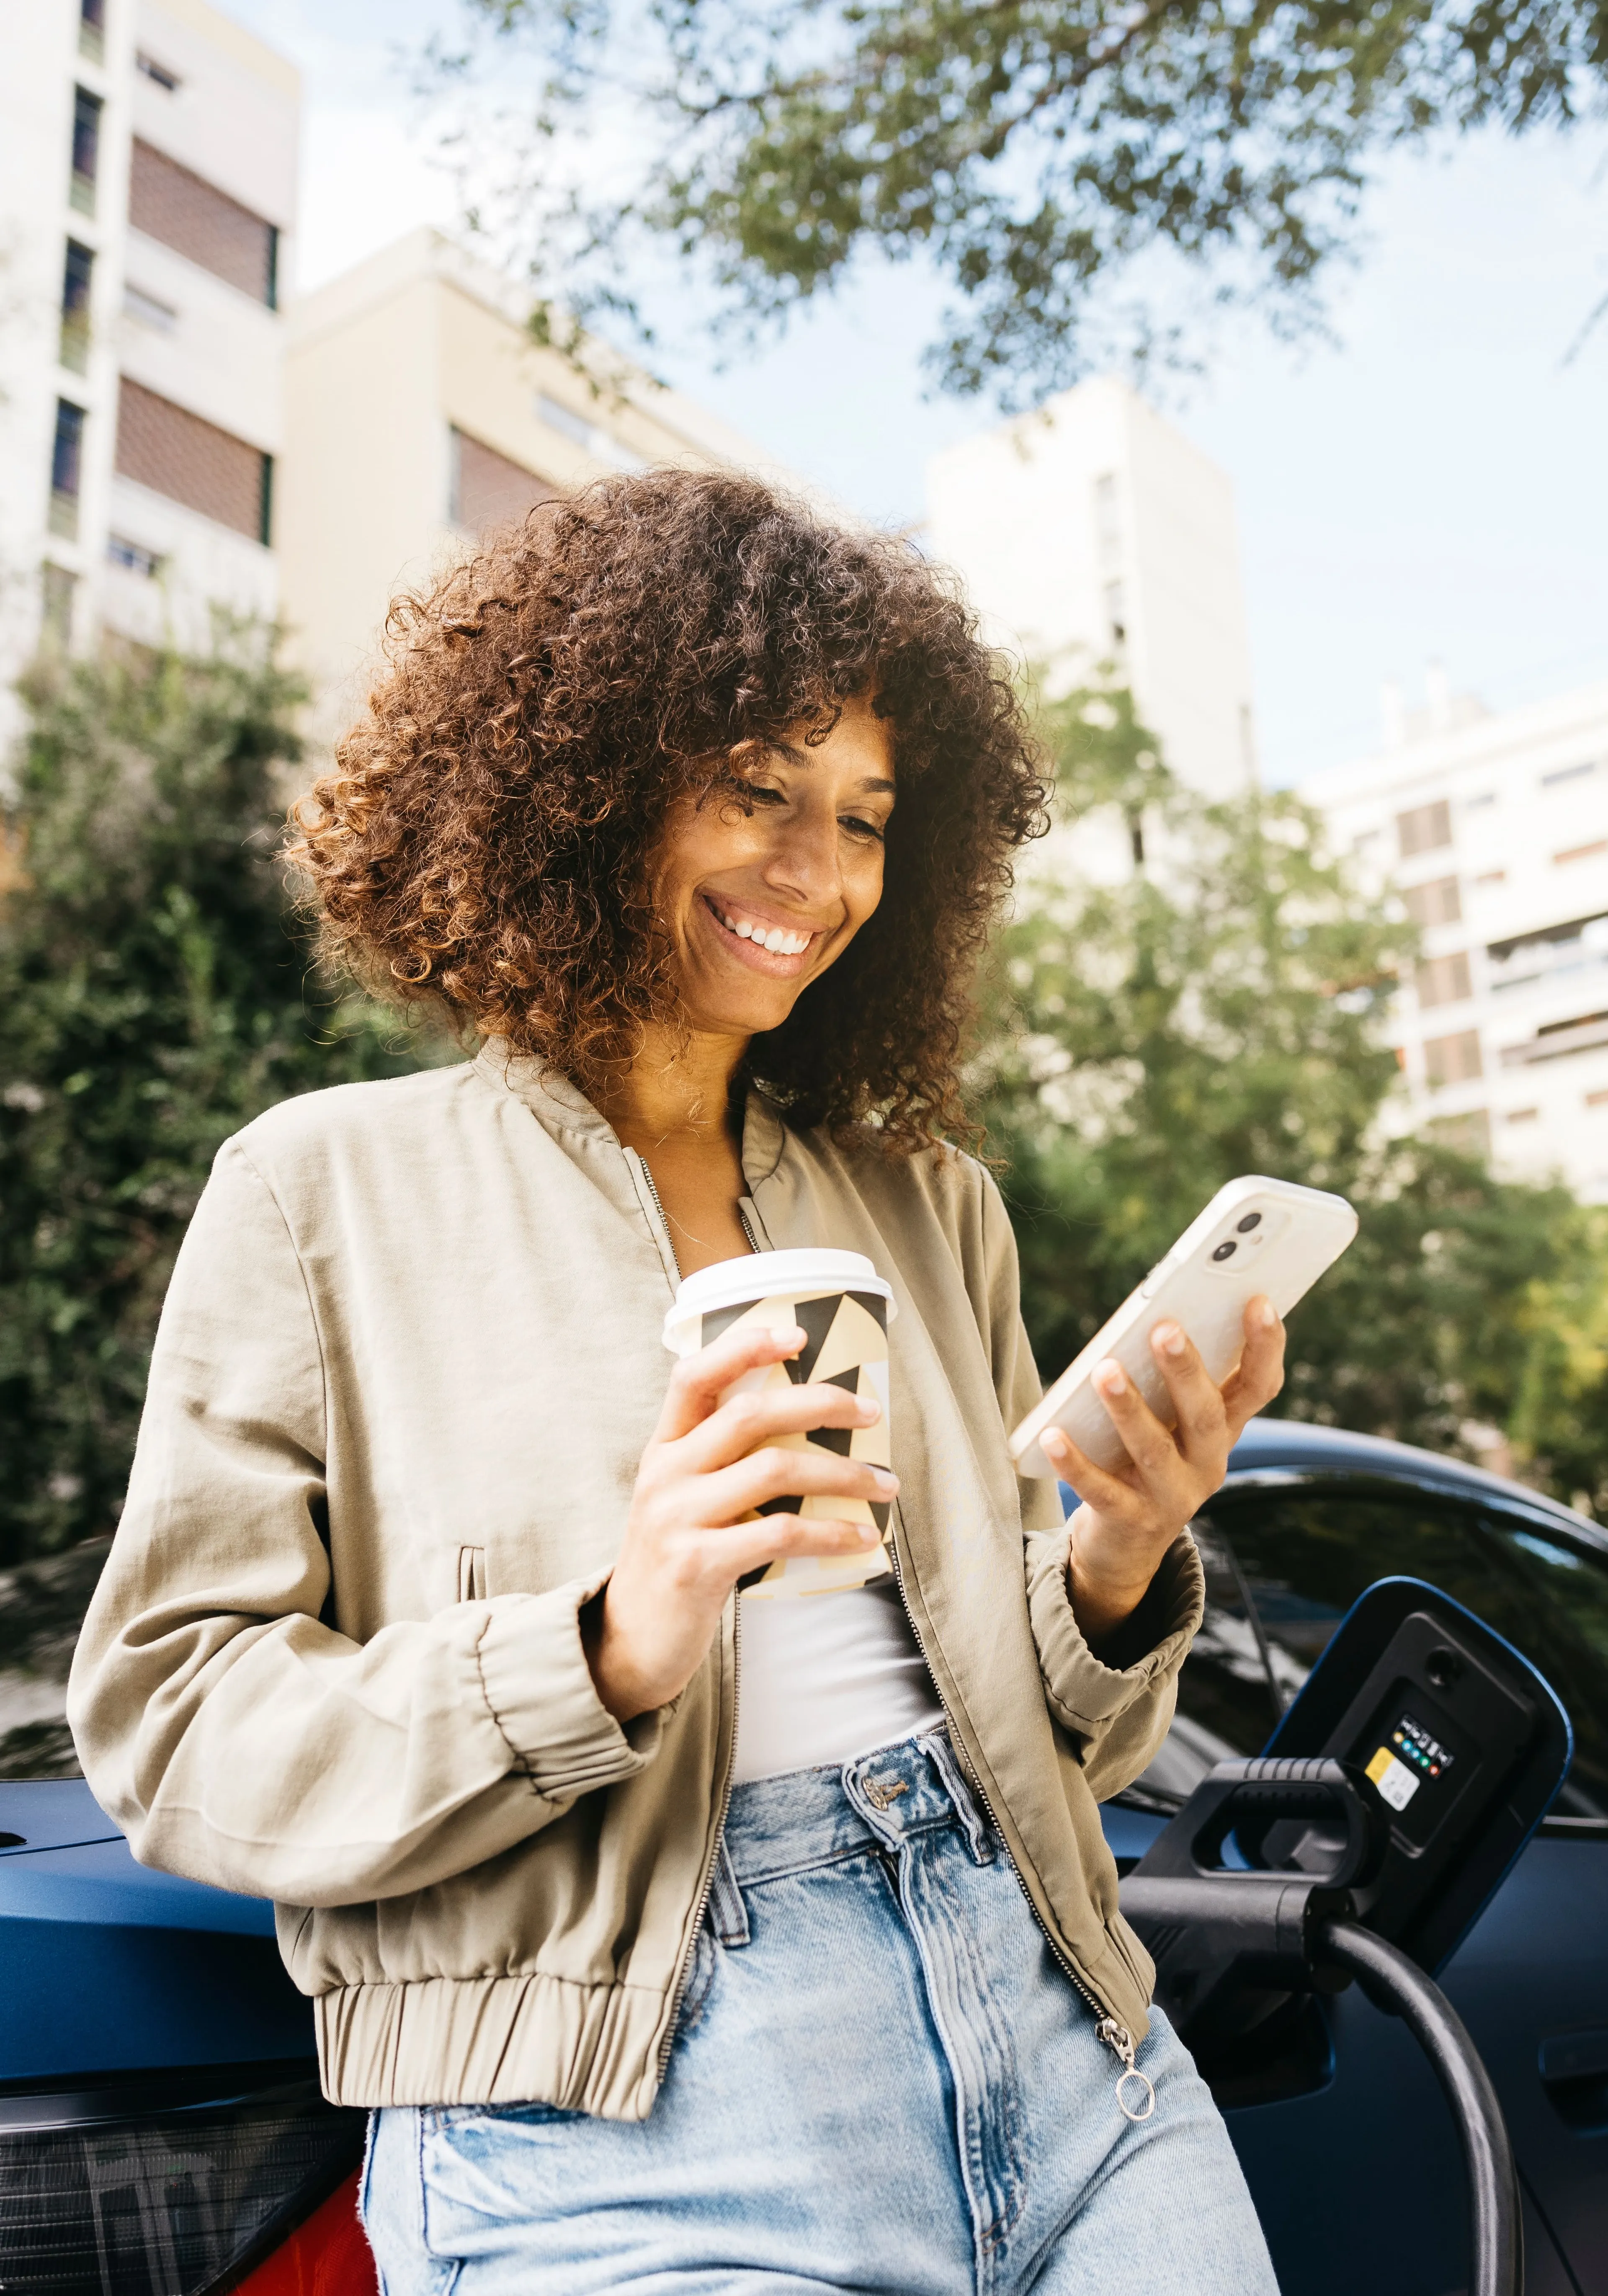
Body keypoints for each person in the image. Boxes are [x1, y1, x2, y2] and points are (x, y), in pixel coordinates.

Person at [69, 470, 1286, 2294]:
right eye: (757, 789)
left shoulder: (929, 1204)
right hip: (625, 2134)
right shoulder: (321, 1192)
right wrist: (608, 1644)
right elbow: (176, 1720)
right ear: (586, 787)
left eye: (868, 817)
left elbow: (1064, 1739)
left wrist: (1116, 1562)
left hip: (1068, 2037)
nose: (820, 872)